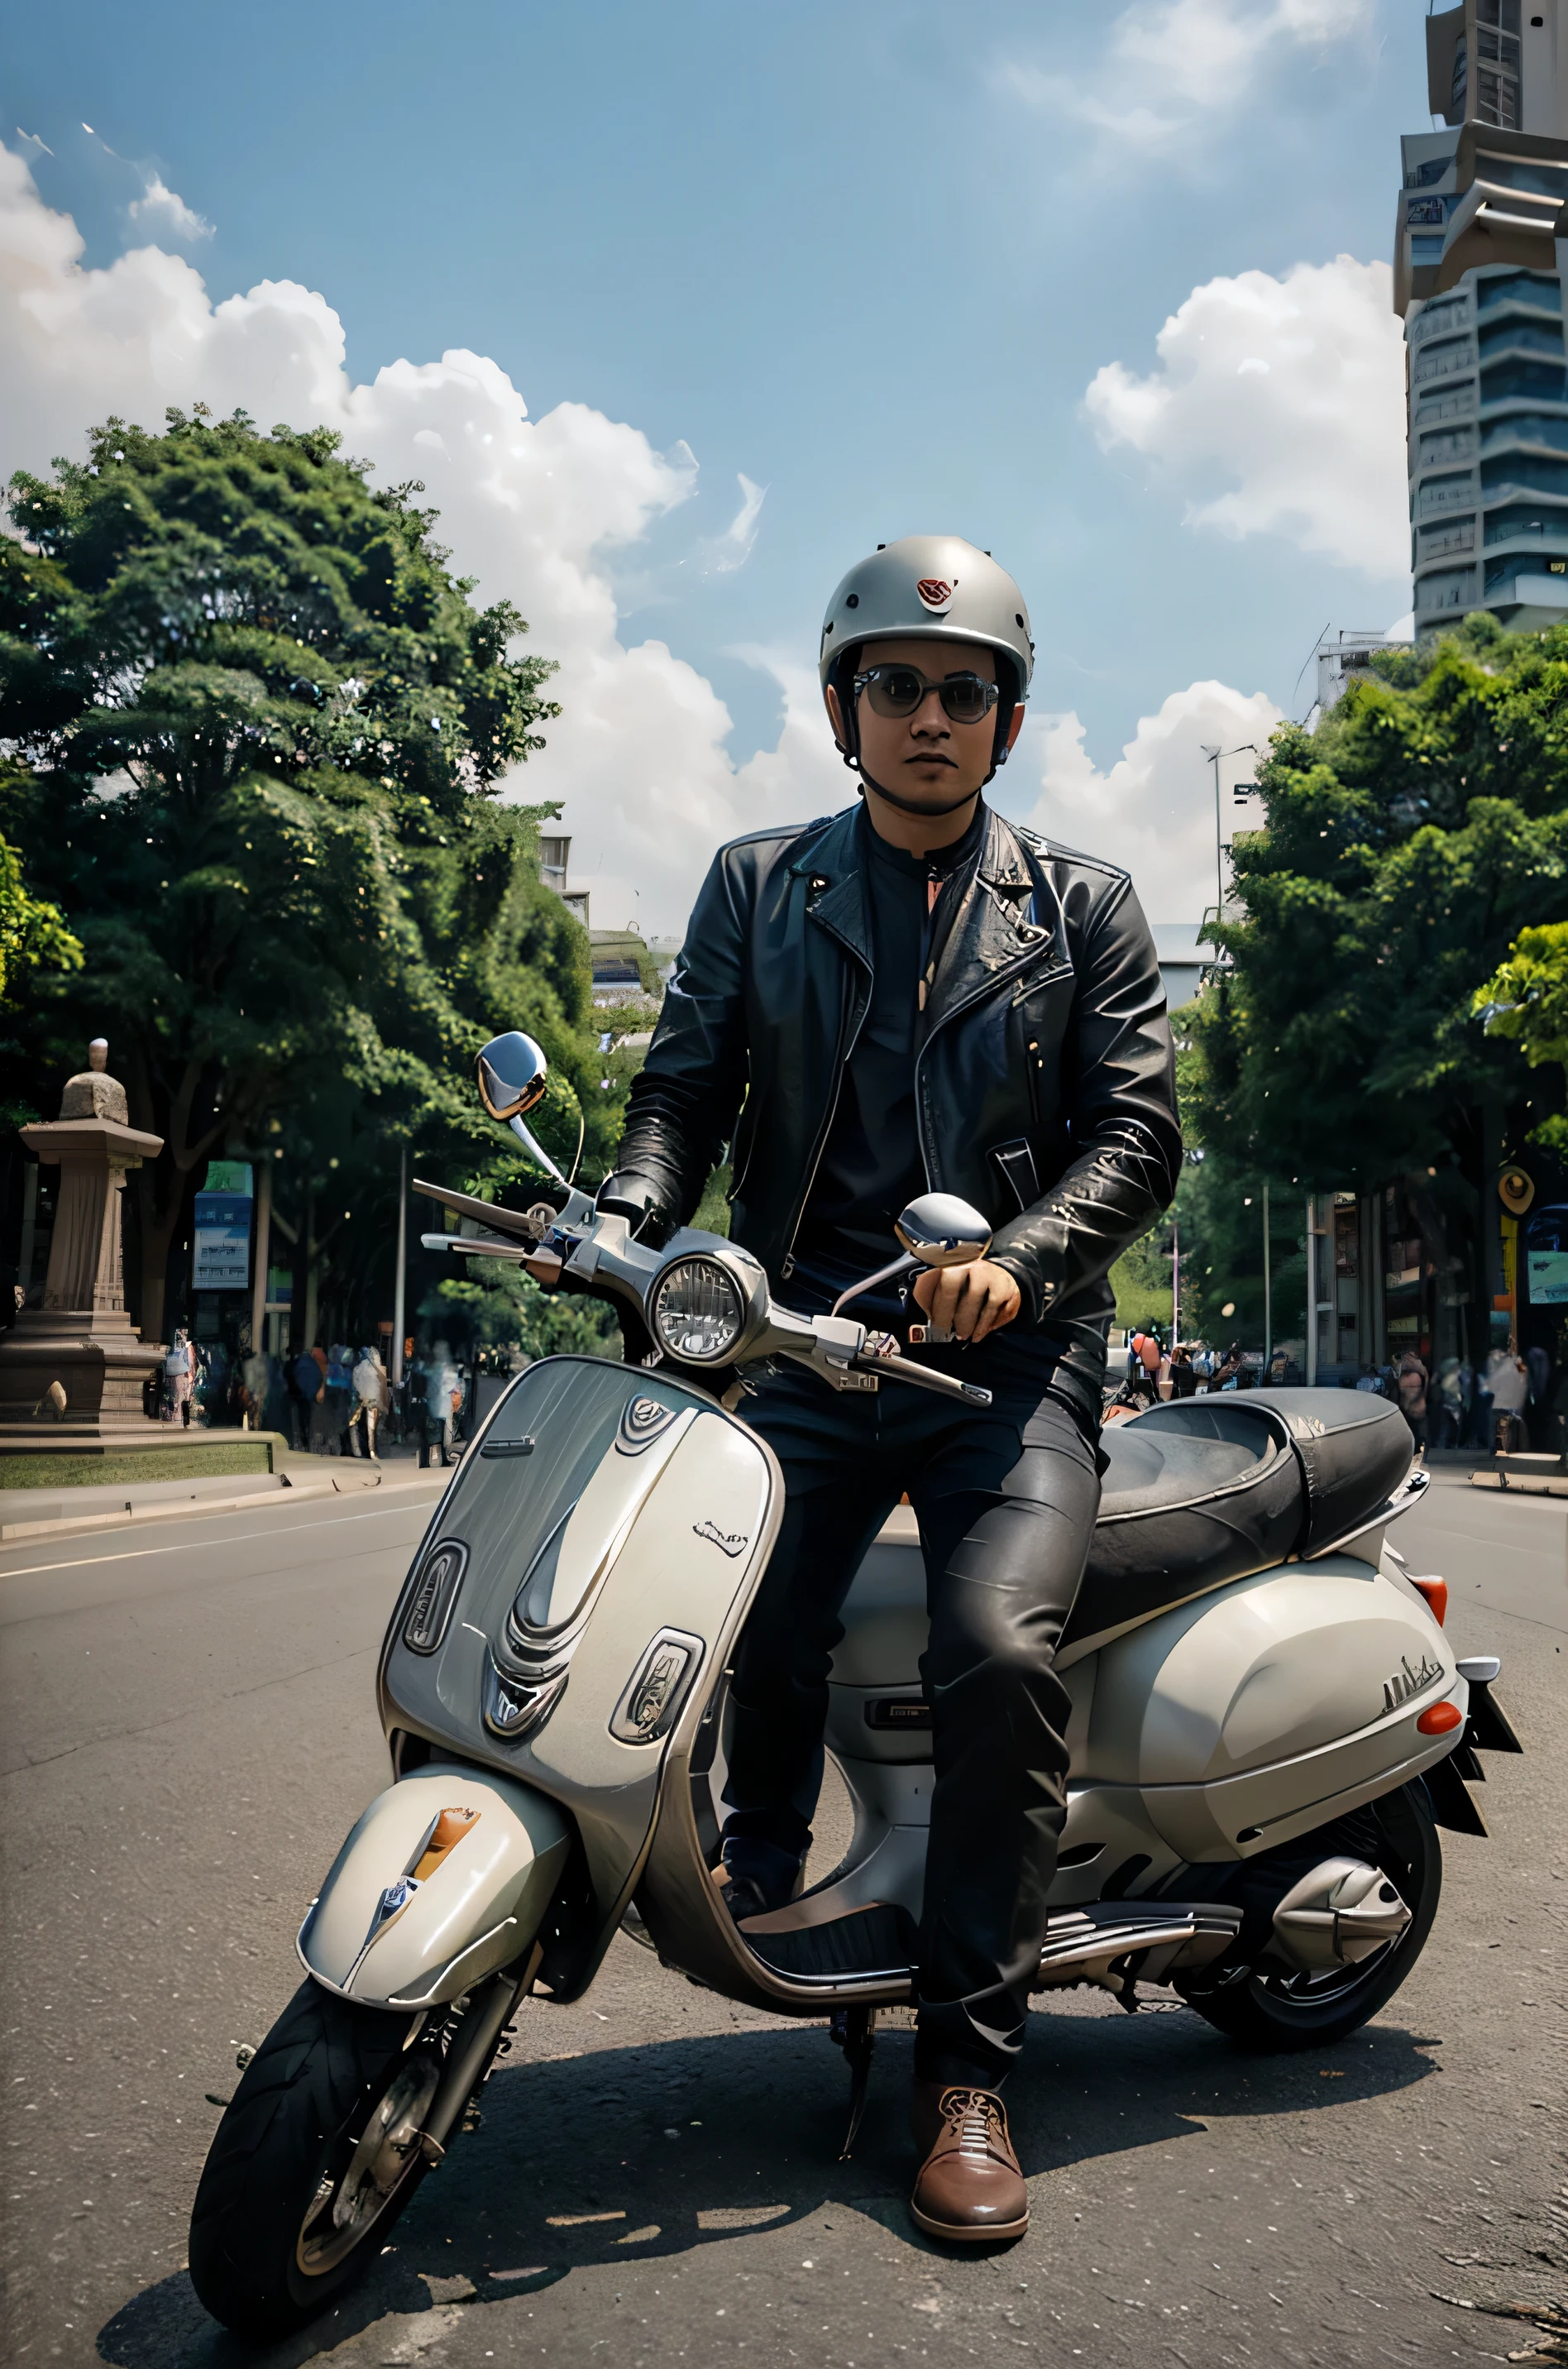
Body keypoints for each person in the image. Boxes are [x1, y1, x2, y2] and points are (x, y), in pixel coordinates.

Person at [597, 535, 1180, 2241]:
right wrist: (622, 1220)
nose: (931, 714)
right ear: (844, 705)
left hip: (1006, 1363)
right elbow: (682, 1083)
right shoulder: (760, 883)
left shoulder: (1083, 905)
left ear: (1008, 720)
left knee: (996, 1649)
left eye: (965, 690)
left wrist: (1024, 1255)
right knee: (734, 1607)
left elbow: (1139, 1132)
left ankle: (968, 2066)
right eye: (897, 686)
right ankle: (767, 1868)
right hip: (803, 1336)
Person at [423, 1339, 461, 1467]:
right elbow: (451, 1385)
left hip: (438, 1404)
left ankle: (436, 1458)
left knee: (436, 1433)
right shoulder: (447, 1367)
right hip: (441, 1405)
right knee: (441, 1433)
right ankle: (440, 1458)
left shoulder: (435, 1367)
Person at [348, 1343, 389, 1461]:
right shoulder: (380, 1370)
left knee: (359, 1427)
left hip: (361, 1402)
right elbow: (384, 1387)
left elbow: (354, 1386)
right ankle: (373, 1451)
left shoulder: (357, 1369)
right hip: (374, 1403)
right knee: (372, 1429)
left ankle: (359, 1451)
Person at [163, 1326, 194, 1424]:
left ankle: (179, 1418)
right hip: (176, 1374)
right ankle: (177, 1417)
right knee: (177, 1397)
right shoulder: (180, 1349)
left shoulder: (186, 1348)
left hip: (180, 1374)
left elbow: (190, 1363)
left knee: (179, 1397)